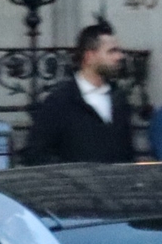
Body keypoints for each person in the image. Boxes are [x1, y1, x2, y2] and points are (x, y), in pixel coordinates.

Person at [20, 22, 137, 165]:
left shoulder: (119, 99)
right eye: (112, 51)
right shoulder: (60, 101)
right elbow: (36, 153)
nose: (120, 57)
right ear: (89, 56)